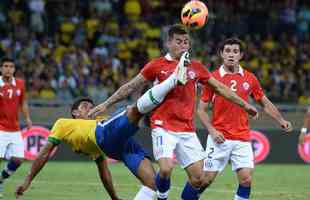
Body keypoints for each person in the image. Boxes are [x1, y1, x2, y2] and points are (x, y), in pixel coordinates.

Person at [88, 24, 258, 200]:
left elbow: (221, 88)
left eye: (186, 42)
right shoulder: (157, 65)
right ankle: (162, 197)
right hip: (163, 126)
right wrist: (105, 104)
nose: (183, 45)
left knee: (199, 178)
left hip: (187, 129)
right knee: (166, 168)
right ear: (168, 43)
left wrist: (245, 105)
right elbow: (130, 86)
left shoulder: (196, 67)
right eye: (179, 41)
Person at [15, 52, 189, 200]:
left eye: (91, 106)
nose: (90, 108)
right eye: (84, 106)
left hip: (124, 145)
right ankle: (169, 81)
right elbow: (45, 152)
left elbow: (104, 173)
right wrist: (28, 179)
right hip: (105, 134)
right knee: (131, 110)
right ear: (74, 113)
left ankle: (163, 88)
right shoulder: (63, 123)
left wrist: (114, 198)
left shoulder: (96, 127)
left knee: (154, 185)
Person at [197, 37, 293, 200]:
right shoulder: (212, 78)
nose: (231, 55)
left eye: (235, 51)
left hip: (242, 138)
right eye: (227, 51)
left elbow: (264, 103)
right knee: (205, 180)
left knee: (246, 179)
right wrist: (212, 131)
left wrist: (281, 120)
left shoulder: (250, 78)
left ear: (241, 55)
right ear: (221, 54)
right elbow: (201, 110)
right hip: (219, 138)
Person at [0, 58, 32, 198]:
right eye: (5, 66)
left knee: (18, 159)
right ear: (1, 68)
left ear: (14, 69)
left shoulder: (20, 84)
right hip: (0, 127)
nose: (8, 69)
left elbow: (23, 102)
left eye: (11, 66)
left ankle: (1, 179)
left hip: (15, 128)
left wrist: (27, 118)